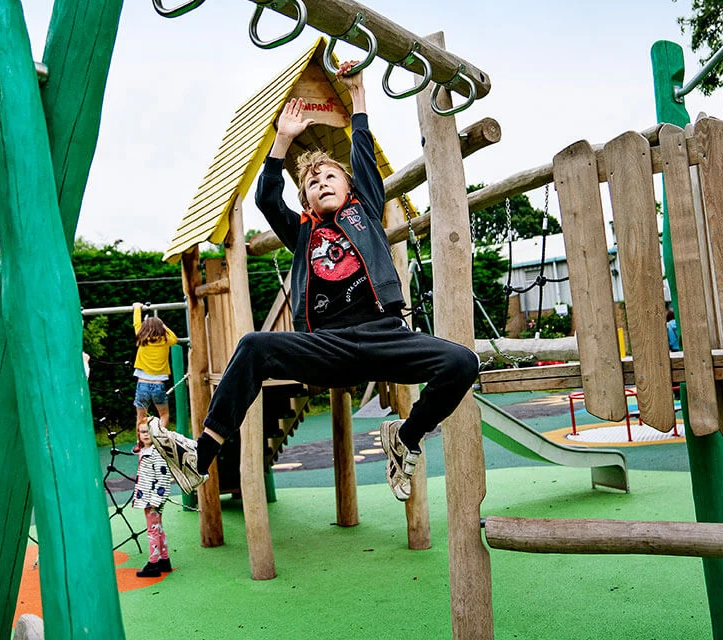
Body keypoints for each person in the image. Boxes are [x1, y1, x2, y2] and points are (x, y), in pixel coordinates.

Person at [149, 61, 479, 502]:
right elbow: (267, 197)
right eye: (312, 182)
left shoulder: (365, 211)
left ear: (350, 188)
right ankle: (199, 458)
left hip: (383, 335)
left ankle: (407, 438)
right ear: (304, 199)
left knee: (462, 363)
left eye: (330, 177)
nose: (321, 182)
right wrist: (282, 138)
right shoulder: (302, 231)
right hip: (328, 346)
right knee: (252, 346)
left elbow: (361, 153)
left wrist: (358, 95)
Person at [132, 421, 173, 577]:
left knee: (152, 530)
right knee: (158, 528)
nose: (146, 435)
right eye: (142, 432)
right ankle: (164, 559)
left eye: (148, 431)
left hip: (153, 498)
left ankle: (153, 563)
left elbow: (163, 477)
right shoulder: (145, 450)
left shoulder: (156, 453)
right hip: (148, 497)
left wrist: (156, 498)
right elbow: (136, 449)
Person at [132, 302, 177, 430]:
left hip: (142, 385)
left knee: (140, 418)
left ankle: (140, 444)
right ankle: (158, 439)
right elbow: (174, 338)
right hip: (158, 385)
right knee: (164, 415)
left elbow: (136, 324)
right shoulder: (165, 341)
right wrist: (163, 326)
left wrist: (137, 308)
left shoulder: (142, 339)